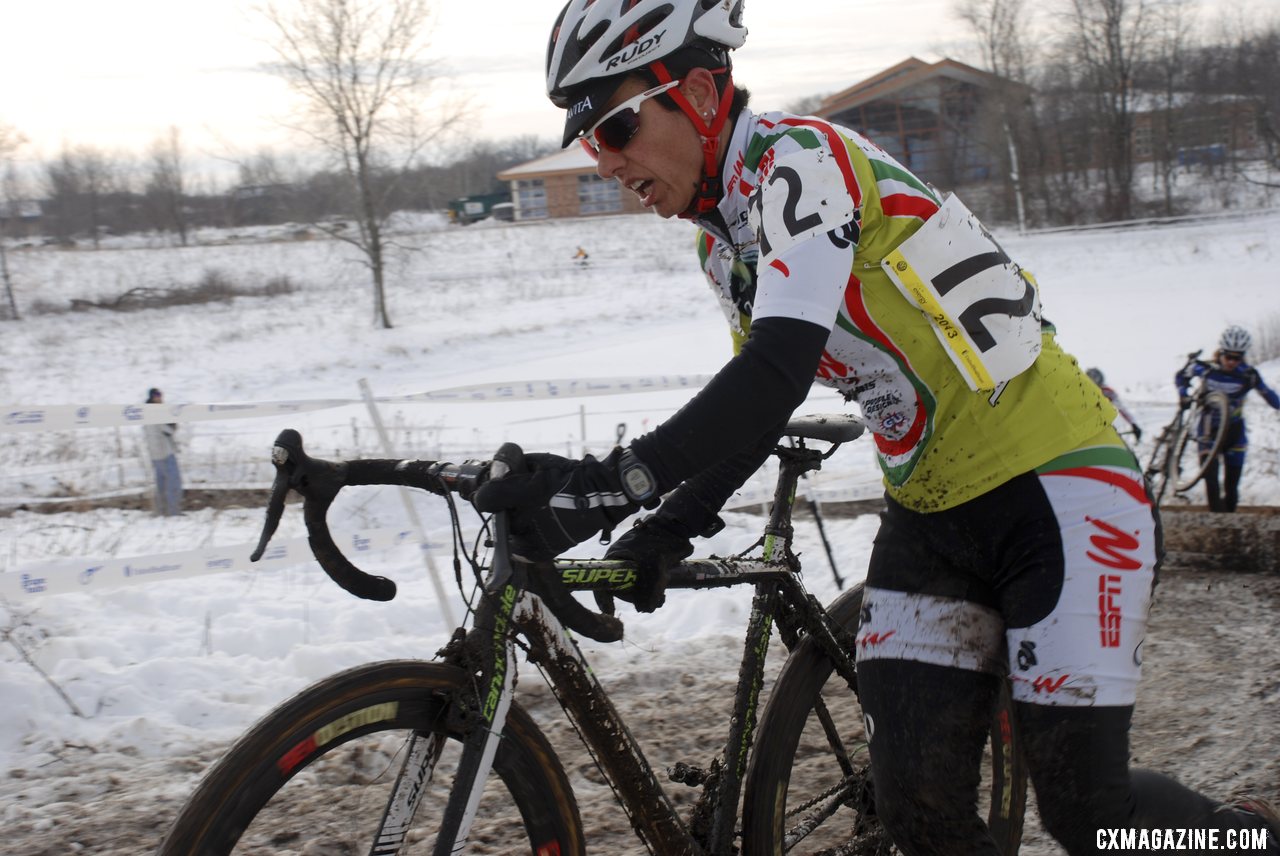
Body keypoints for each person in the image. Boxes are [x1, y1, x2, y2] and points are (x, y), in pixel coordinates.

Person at [472, 2, 1279, 852]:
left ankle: (1243, 843)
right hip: (933, 519)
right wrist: (663, 527)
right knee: (916, 809)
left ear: (704, 91)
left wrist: (616, 482)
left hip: (1060, 487)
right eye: (589, 143)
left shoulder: (800, 163)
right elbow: (763, 405)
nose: (608, 162)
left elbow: (776, 368)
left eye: (617, 125)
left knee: (1090, 814)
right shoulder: (726, 242)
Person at [1175, 326, 1280, 513]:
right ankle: (1215, 525)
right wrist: (1183, 394)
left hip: (1235, 432)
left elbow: (1270, 396)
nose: (1231, 361)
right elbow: (1181, 376)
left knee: (1232, 489)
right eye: (1228, 356)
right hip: (1207, 431)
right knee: (1211, 482)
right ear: (1220, 353)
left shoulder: (1248, 375)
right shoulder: (1205, 368)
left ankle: (1229, 532)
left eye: (1237, 358)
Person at [142, 387, 183, 517]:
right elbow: (168, 430)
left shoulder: (145, 412)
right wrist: (173, 423)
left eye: (160, 395)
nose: (160, 398)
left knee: (161, 484)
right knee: (173, 482)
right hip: (165, 452)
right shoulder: (157, 411)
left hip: (154, 454)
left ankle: (161, 511)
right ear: (153, 397)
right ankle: (173, 512)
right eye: (157, 396)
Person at [1086, 367, 1142, 443]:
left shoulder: (1106, 391)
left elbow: (1121, 408)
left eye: (1094, 378)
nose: (1092, 381)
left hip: (1100, 427)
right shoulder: (1081, 390)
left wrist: (1133, 424)